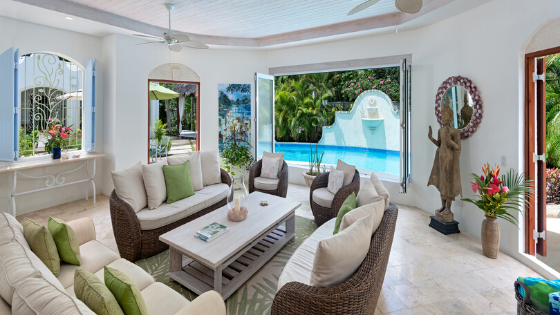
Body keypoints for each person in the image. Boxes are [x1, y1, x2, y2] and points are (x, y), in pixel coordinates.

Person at [427, 99, 462, 221]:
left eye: (445, 115)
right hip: (441, 159)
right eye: (442, 115)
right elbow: (439, 144)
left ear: (451, 117)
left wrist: (451, 142)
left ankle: (448, 207)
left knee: (448, 182)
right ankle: (442, 206)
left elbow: (458, 147)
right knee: (442, 182)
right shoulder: (440, 130)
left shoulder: (455, 131)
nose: (443, 117)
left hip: (450, 160)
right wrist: (431, 138)